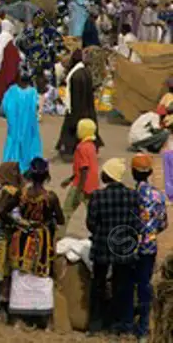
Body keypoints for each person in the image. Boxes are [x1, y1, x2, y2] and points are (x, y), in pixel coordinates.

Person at [8, 158, 64, 327]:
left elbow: (4, 211)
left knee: (21, 274)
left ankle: (18, 319)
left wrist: (21, 223)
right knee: (42, 276)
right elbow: (60, 219)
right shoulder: (51, 197)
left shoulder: (22, 194)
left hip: (23, 237)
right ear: (46, 175)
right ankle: (45, 321)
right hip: (42, 239)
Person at [86, 157, 138, 336]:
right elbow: (136, 223)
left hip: (101, 246)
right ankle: (117, 324)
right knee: (120, 286)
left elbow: (91, 223)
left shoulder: (97, 196)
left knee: (98, 284)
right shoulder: (132, 196)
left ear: (107, 176)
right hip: (123, 248)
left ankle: (95, 323)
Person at [130, 153, 168, 341]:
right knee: (145, 285)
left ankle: (127, 323)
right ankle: (143, 328)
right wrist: (150, 232)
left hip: (130, 247)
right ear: (151, 172)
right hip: (149, 247)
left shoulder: (131, 195)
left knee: (128, 285)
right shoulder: (158, 196)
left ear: (132, 172)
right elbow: (163, 224)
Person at [0, 161, 23, 315]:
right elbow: (3, 211)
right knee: (6, 268)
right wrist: (18, 223)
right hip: (5, 235)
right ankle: (3, 304)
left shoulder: (0, 189)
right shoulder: (11, 191)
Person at [57, 118, 100, 239]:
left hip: (81, 185)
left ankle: (58, 236)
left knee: (66, 211)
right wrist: (69, 179)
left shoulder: (81, 147)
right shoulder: (91, 146)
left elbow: (84, 169)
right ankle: (98, 235)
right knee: (93, 213)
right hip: (93, 185)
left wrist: (79, 189)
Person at [56, 49, 102, 160]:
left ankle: (69, 151)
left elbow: (75, 97)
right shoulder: (85, 72)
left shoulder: (75, 75)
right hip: (87, 107)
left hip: (77, 108)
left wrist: (74, 113)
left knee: (73, 131)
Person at [0, 74, 43, 173]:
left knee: (13, 142)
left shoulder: (12, 90)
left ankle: (10, 164)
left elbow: (4, 107)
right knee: (30, 144)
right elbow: (37, 107)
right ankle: (30, 165)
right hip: (29, 126)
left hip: (15, 125)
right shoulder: (32, 92)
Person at [0, 19, 20, 107]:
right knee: (4, 82)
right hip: (5, 62)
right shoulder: (8, 37)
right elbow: (9, 51)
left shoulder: (1, 36)